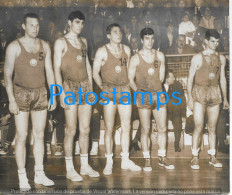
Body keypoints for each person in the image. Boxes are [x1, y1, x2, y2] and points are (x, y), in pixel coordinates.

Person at [4, 13, 56, 191]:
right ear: (24, 27)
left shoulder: (45, 46)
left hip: (41, 92)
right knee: (22, 135)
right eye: (31, 25)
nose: (35, 28)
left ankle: (39, 173)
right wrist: (11, 99)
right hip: (21, 93)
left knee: (40, 135)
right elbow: (7, 75)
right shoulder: (14, 47)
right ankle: (22, 176)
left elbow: (50, 71)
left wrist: (53, 95)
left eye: (37, 25)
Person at [54, 11, 99, 182]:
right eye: (77, 22)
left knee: (85, 129)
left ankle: (85, 165)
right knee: (71, 130)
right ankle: (69, 169)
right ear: (69, 22)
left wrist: (92, 89)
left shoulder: (84, 42)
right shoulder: (60, 42)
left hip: (85, 88)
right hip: (69, 88)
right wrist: (61, 93)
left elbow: (87, 65)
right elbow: (56, 68)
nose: (80, 26)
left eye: (82, 23)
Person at [93, 23, 141, 176]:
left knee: (126, 126)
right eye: (115, 32)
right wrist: (103, 88)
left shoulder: (127, 50)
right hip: (109, 91)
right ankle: (109, 161)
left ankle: (125, 160)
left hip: (125, 90)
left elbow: (130, 72)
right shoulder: (102, 51)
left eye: (120, 31)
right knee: (109, 128)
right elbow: (95, 74)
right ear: (108, 35)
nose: (118, 34)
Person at [128, 28, 175, 171]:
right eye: (147, 38)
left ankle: (162, 157)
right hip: (143, 96)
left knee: (163, 128)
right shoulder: (135, 58)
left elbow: (160, 78)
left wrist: (154, 88)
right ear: (142, 40)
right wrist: (139, 92)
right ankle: (147, 159)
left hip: (158, 94)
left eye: (152, 38)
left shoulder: (160, 55)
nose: (150, 41)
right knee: (145, 129)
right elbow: (130, 80)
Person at [187, 29, 229, 169]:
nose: (215, 44)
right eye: (212, 41)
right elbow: (189, 80)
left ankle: (212, 156)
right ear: (205, 41)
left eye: (217, 42)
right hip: (199, 92)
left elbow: (223, 79)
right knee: (198, 126)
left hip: (214, 92)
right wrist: (189, 99)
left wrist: (226, 99)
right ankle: (194, 157)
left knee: (212, 128)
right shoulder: (197, 58)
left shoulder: (221, 58)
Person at [163, 69, 186, 152]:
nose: (174, 79)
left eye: (174, 77)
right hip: (160, 110)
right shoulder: (159, 85)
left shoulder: (177, 85)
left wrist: (183, 115)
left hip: (173, 111)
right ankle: (136, 140)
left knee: (177, 119)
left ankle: (176, 143)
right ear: (166, 79)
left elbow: (183, 101)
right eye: (172, 77)